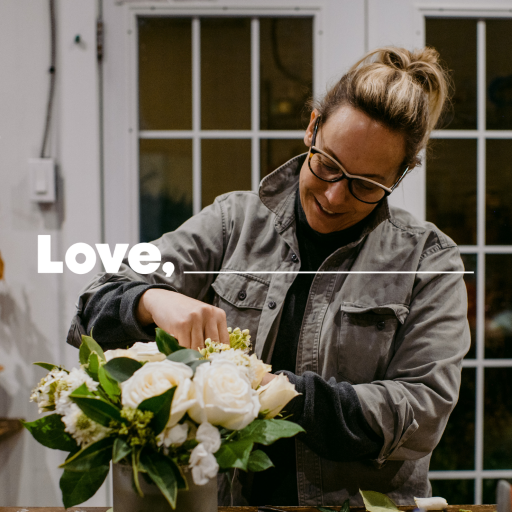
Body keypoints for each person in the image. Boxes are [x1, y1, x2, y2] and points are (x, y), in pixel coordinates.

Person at [67, 46, 470, 506]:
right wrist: (152, 300)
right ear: (313, 127)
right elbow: (92, 308)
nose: (336, 196)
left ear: (400, 176)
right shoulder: (233, 222)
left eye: (365, 185)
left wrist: (269, 390)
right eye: (328, 165)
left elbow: (421, 412)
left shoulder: (428, 261)